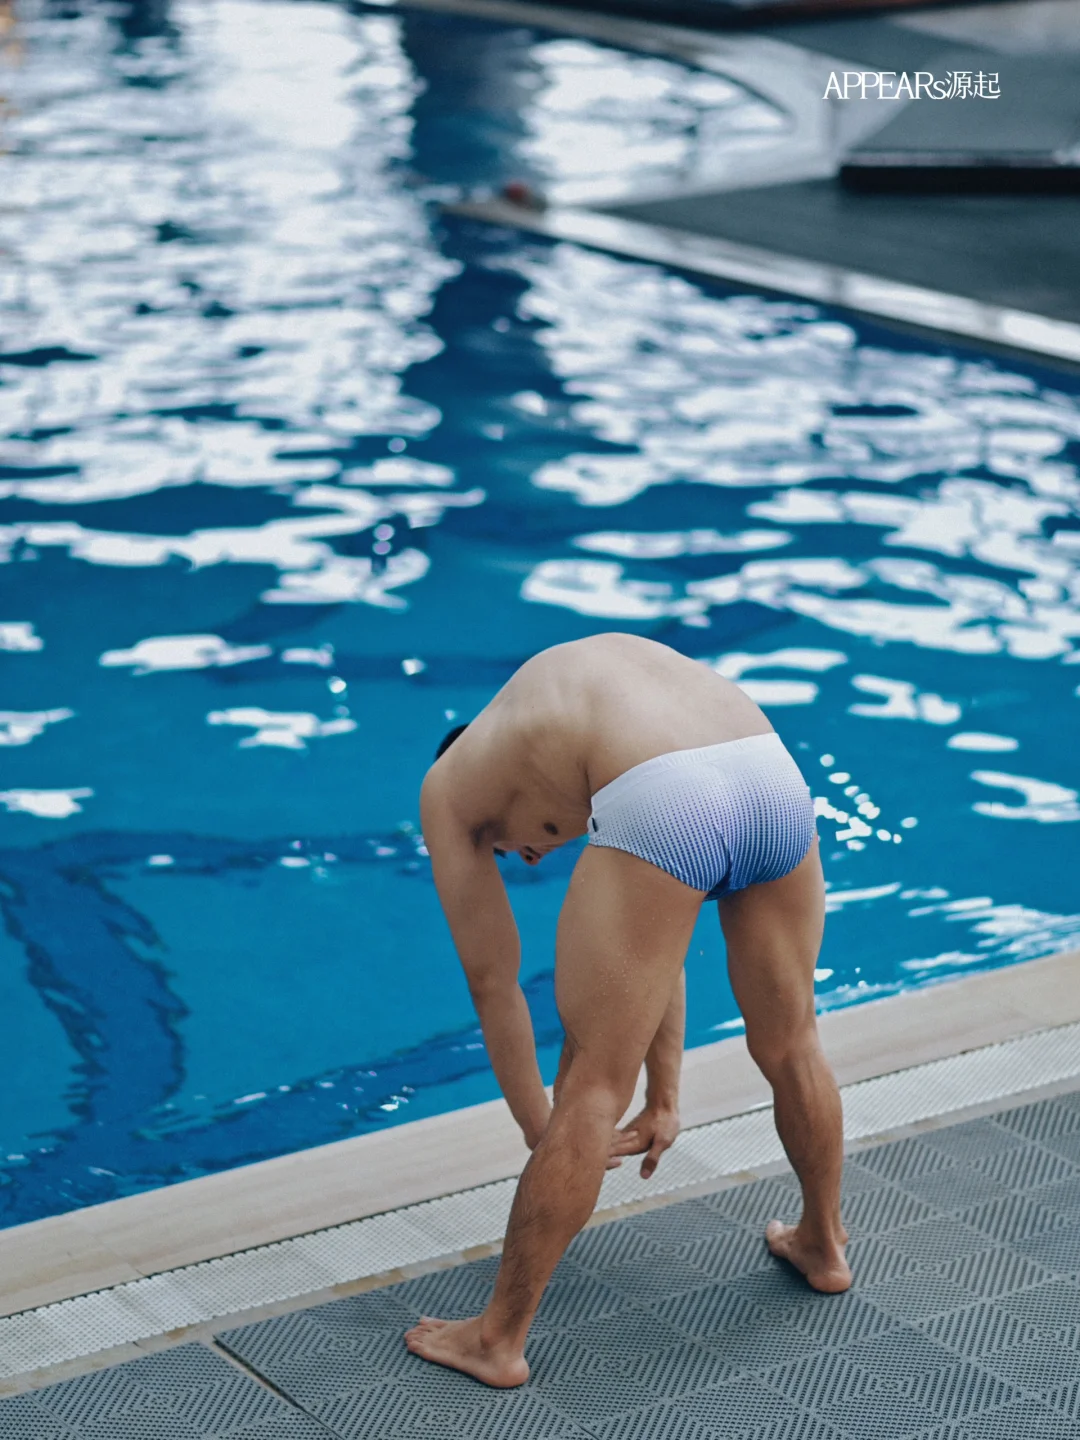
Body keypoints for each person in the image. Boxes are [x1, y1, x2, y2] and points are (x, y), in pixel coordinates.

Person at [406, 633, 849, 1388]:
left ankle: (496, 1340)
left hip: (670, 789)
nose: (532, 856)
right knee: (793, 1042)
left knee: (590, 1089)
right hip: (770, 772)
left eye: (521, 849)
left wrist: (543, 1129)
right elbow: (655, 948)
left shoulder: (448, 786)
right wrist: (665, 1097)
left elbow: (493, 982)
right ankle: (824, 1243)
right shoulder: (562, 715)